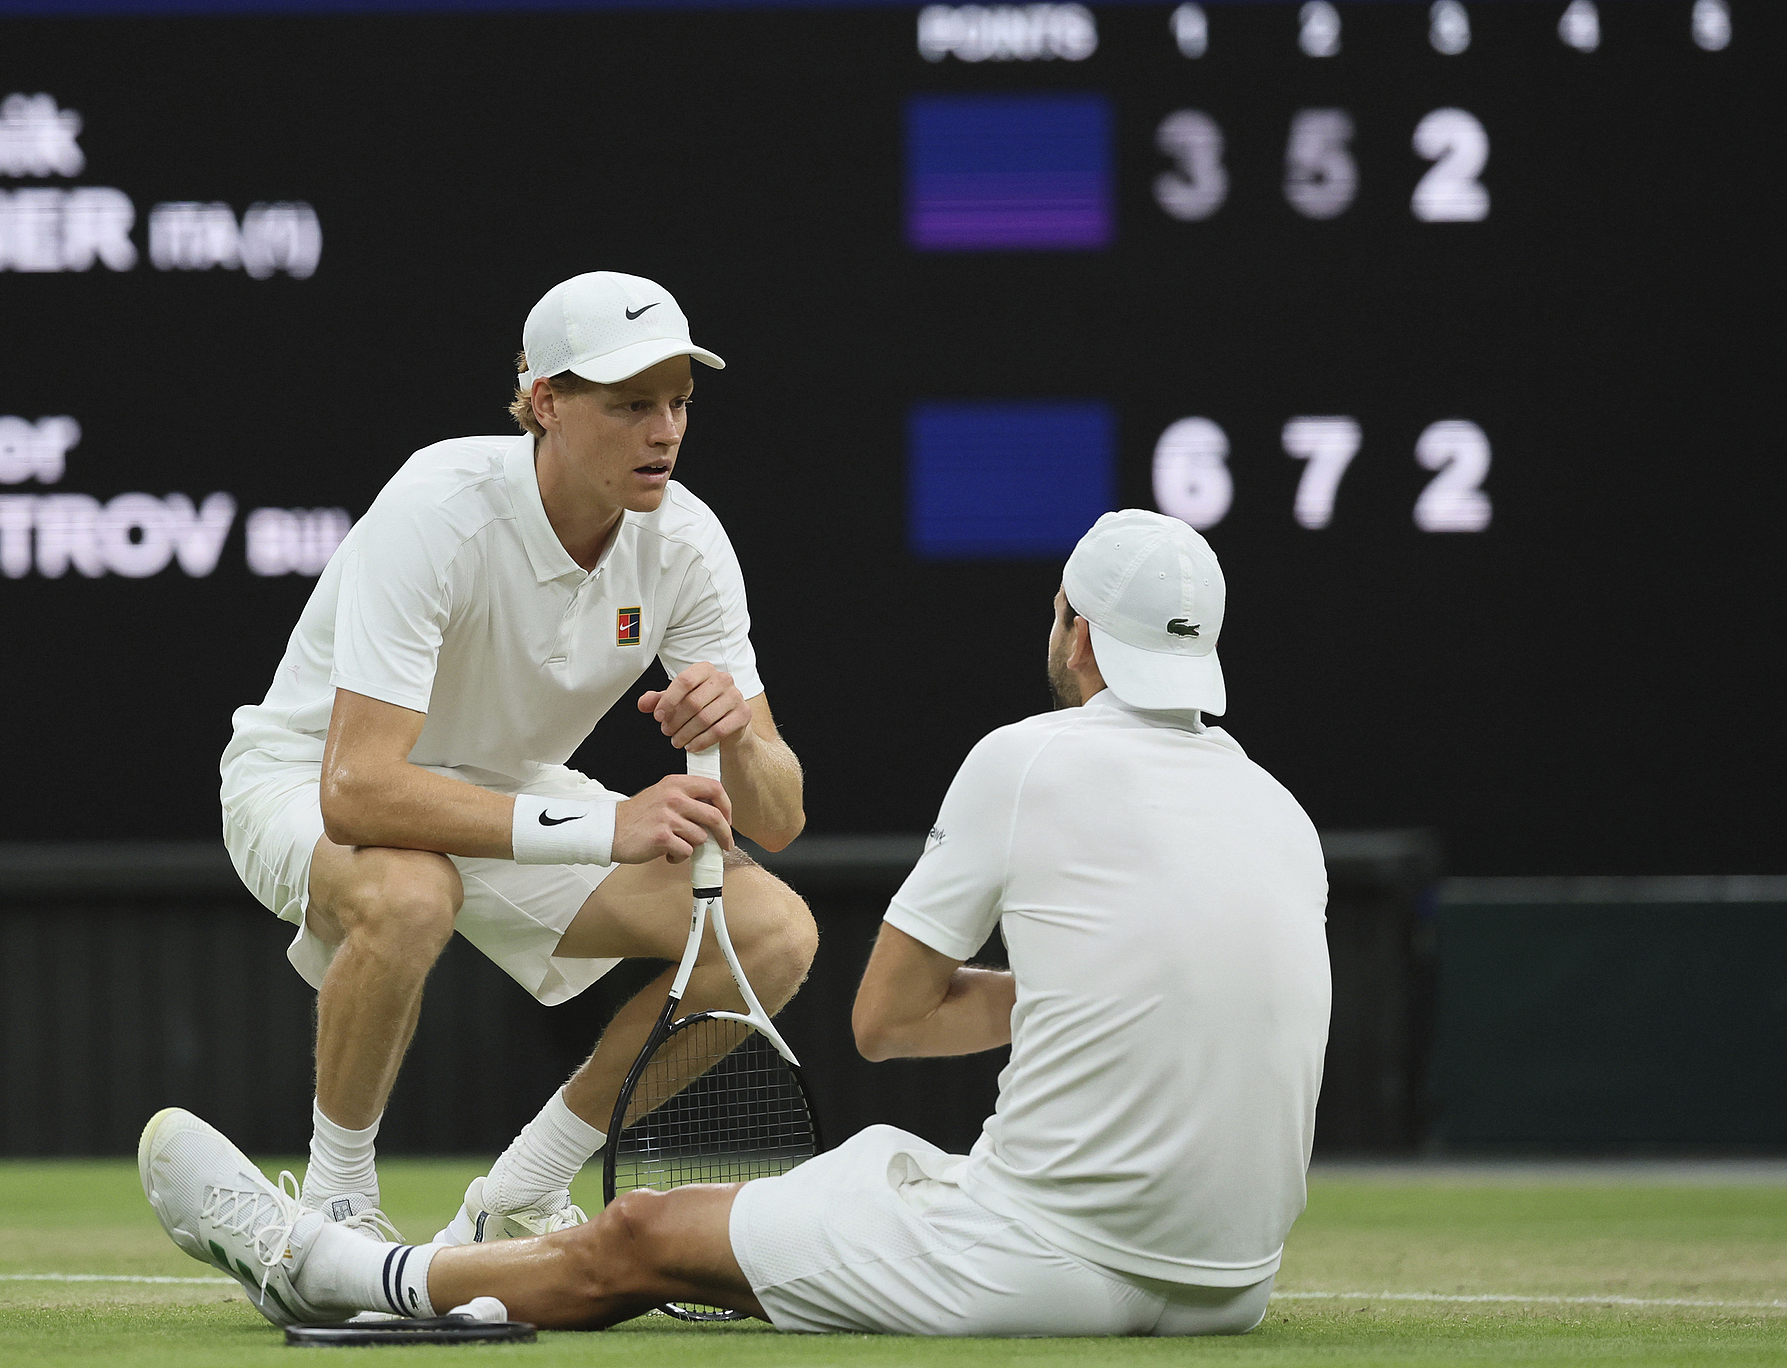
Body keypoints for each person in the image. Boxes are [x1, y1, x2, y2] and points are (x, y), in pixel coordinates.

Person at [143, 508, 1331, 1337]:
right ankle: (485, 1209)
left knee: (638, 1238)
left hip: (1035, 1263)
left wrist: (1050, 1001)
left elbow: (887, 1022)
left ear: (1070, 627)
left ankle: (335, 1266)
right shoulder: (1282, 810)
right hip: (1232, 1283)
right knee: (868, 1175)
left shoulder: (1023, 761)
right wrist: (1091, 998)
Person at [193, 271, 815, 1296]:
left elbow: (779, 817)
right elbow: (358, 793)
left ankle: (518, 1193)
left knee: (774, 935)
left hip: (502, 791)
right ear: (543, 402)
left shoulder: (689, 543)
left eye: (677, 403)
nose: (662, 431)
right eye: (627, 405)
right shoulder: (438, 506)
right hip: (302, 779)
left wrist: (735, 731)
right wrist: (603, 824)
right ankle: (334, 1209)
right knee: (407, 888)